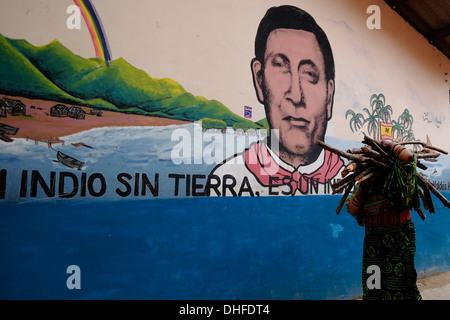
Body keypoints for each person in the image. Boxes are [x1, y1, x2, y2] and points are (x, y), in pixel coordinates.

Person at [207, 5, 344, 196]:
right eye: (280, 67)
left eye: (310, 74)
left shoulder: (353, 182)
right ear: (259, 79)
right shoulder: (227, 181)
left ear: (329, 96)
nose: (296, 96)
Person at [346, 139, 422, 300]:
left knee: (401, 286)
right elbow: (352, 209)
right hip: (374, 243)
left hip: (399, 239)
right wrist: (365, 187)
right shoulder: (363, 186)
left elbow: (408, 158)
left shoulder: (398, 176)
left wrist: (388, 144)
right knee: (373, 286)